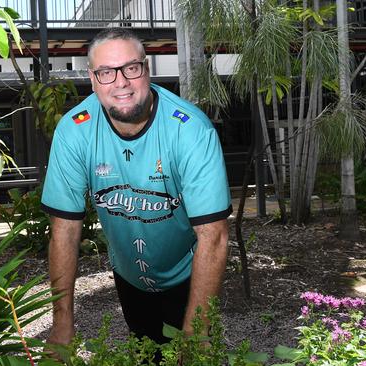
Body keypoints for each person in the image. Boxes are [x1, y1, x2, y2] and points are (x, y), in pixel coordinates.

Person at [41, 27, 232, 347]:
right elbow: (64, 231)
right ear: (92, 78)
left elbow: (213, 237)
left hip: (188, 273)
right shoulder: (74, 131)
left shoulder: (191, 130)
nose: (120, 82)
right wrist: (62, 326)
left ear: (146, 68)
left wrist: (196, 335)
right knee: (145, 350)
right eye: (106, 72)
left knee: (196, 352)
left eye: (131, 68)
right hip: (128, 274)